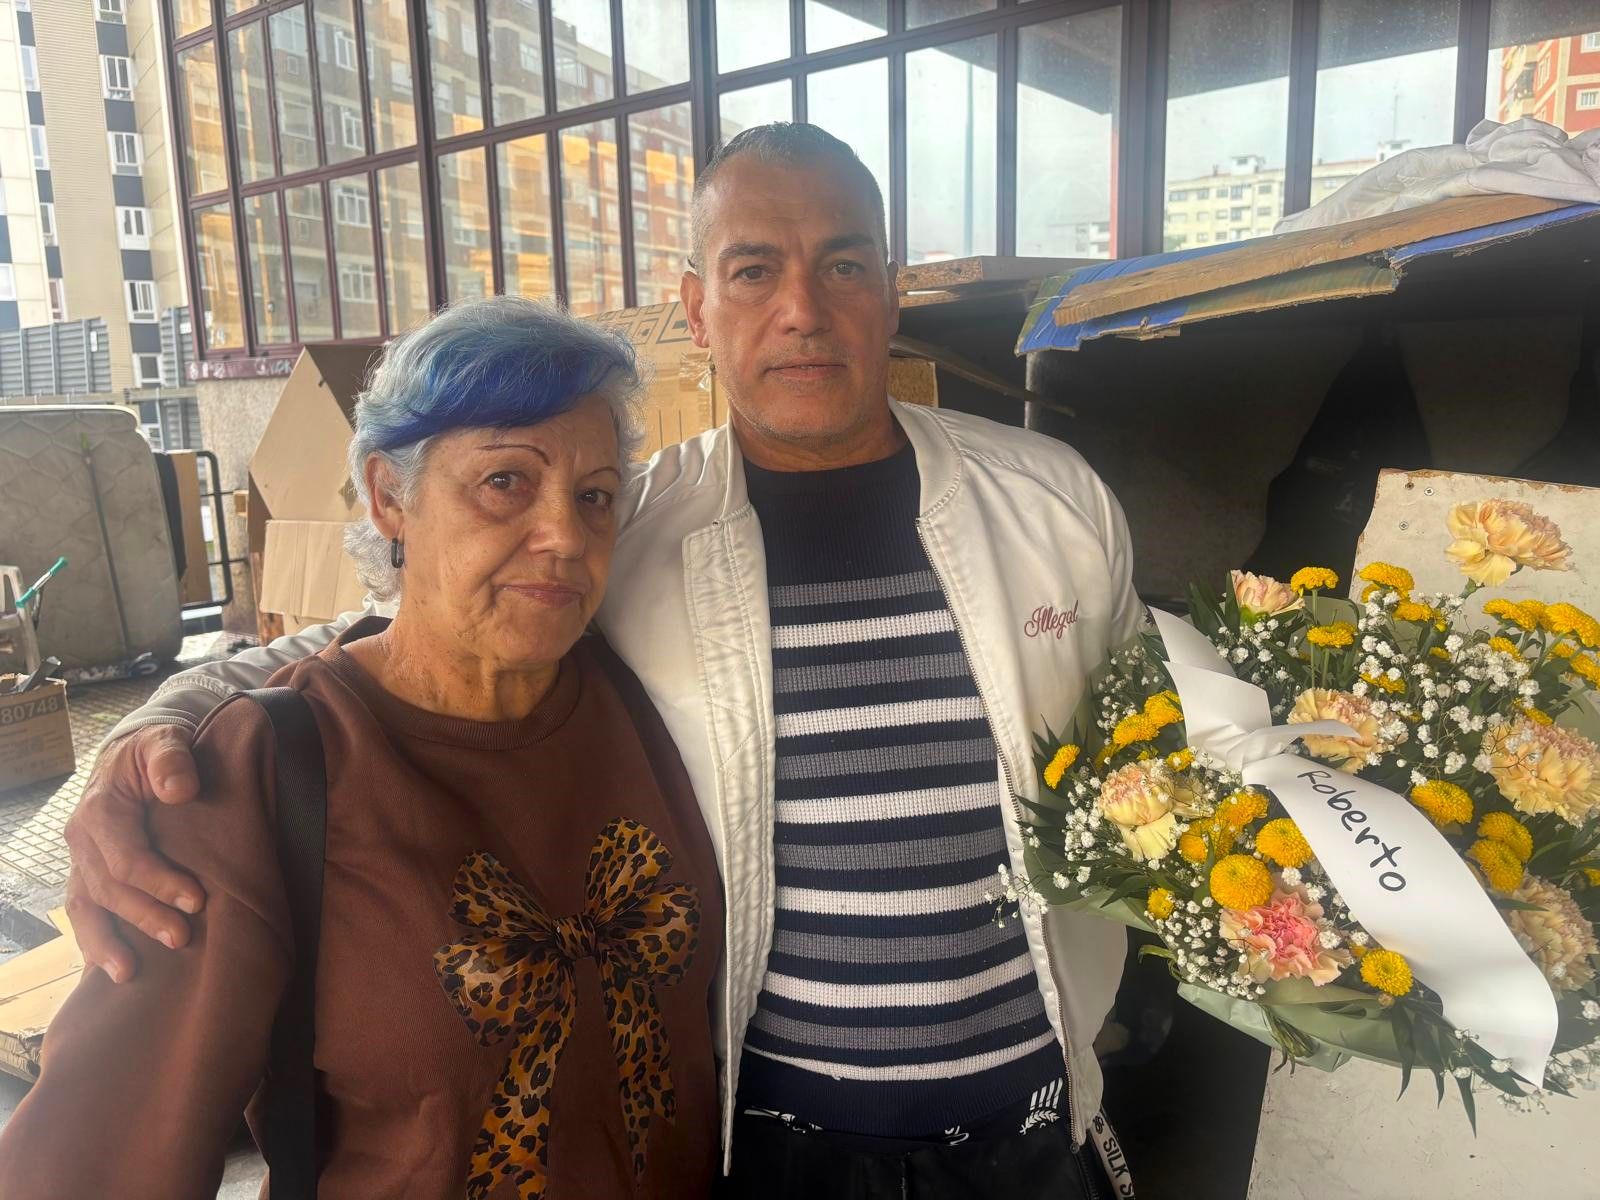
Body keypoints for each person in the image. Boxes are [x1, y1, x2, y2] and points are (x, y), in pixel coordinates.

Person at [63, 124, 1141, 1199]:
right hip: (773, 1151)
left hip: (1034, 1130)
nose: (802, 309)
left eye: (845, 265)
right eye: (753, 269)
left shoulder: (1054, 506)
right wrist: (155, 731)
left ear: (890, 292)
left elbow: (1158, 749)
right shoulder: (653, 525)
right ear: (697, 307)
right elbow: (381, 635)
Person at [0, 298, 723, 1199]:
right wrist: (154, 723)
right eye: (505, 482)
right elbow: (92, 1166)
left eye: (596, 496)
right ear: (390, 498)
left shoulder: (649, 699)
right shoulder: (266, 775)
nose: (564, 537)